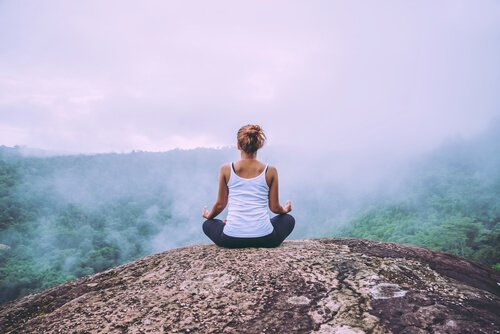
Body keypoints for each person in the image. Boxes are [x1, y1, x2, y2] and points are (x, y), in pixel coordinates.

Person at [202, 124, 295, 248]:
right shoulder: (270, 170)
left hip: (230, 239)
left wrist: (209, 216)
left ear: (238, 146)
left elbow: (220, 205)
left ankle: (232, 225)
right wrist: (285, 210)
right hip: (266, 239)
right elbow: (274, 207)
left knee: (208, 224)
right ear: (259, 146)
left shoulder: (226, 169)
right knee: (288, 219)